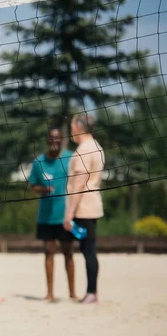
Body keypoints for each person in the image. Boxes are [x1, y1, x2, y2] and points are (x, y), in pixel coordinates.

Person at [28, 128, 75, 302]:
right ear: (47, 140)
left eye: (57, 138)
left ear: (62, 140)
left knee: (68, 252)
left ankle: (72, 293)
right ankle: (50, 293)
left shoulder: (71, 157)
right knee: (49, 252)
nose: (54, 141)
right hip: (46, 216)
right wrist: (43, 189)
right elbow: (33, 185)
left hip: (65, 215)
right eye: (51, 138)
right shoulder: (39, 161)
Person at [63, 114, 105, 304]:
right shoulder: (96, 146)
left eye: (72, 125)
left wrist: (69, 214)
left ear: (79, 127)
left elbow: (79, 184)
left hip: (83, 207)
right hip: (91, 205)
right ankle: (91, 291)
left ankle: (91, 292)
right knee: (88, 247)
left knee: (88, 249)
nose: (71, 129)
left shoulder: (84, 150)